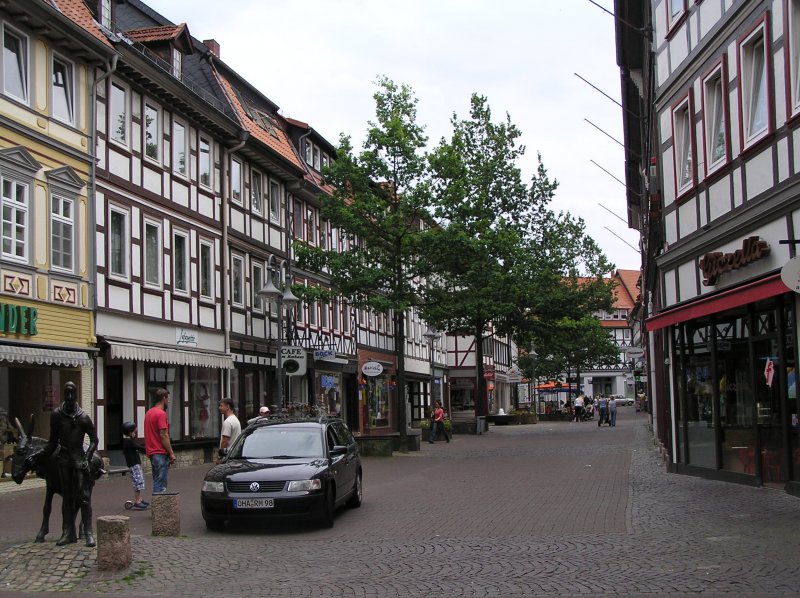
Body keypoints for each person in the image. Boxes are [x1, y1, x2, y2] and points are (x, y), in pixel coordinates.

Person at [40, 381, 99, 547]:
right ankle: (68, 532)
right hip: (64, 460)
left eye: (73, 393)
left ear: (77, 395)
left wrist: (88, 457)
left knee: (84, 497)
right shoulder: (57, 416)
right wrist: (40, 455)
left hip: (80, 460)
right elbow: (52, 442)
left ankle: (88, 532)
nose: (70, 397)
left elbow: (94, 439)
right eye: (67, 394)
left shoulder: (83, 418)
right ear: (64, 395)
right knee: (67, 498)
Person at [144, 388, 176, 493]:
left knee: (157, 479)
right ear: (164, 398)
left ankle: (158, 505)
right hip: (160, 452)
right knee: (161, 484)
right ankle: (159, 506)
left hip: (152, 452)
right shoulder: (161, 414)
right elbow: (163, 435)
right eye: (168, 399)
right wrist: (171, 453)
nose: (169, 402)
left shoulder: (149, 413)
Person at [121, 421, 148, 509]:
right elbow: (139, 448)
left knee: (139, 481)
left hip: (134, 465)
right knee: (138, 482)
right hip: (134, 465)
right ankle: (137, 501)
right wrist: (149, 449)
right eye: (134, 432)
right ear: (130, 432)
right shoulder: (129, 441)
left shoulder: (128, 441)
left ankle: (140, 498)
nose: (135, 434)